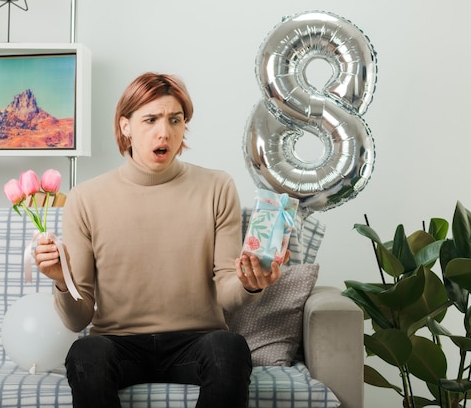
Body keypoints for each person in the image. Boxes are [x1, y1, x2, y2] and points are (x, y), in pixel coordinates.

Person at [33, 72, 286, 408]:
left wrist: (252, 284)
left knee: (230, 347)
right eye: (150, 119)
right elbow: (78, 318)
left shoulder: (217, 187)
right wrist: (61, 282)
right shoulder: (84, 199)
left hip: (196, 342)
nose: (164, 132)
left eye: (175, 120)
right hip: (118, 345)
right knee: (85, 352)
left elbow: (228, 292)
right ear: (126, 127)